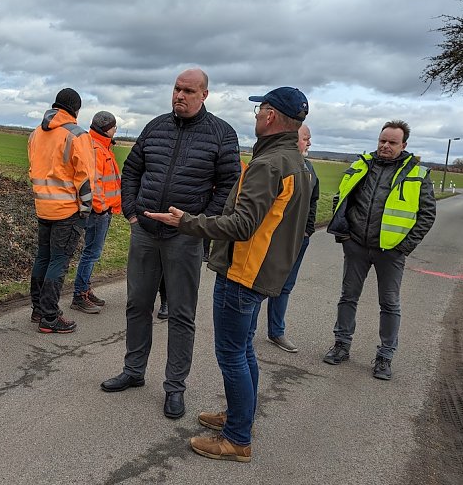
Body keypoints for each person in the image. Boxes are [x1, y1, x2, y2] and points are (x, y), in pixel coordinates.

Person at [146, 86, 312, 462]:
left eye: (260, 110)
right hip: (262, 271)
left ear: (270, 116)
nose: (255, 116)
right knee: (244, 351)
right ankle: (240, 417)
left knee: (232, 354)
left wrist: (186, 221)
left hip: (243, 272)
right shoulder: (296, 162)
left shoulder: (268, 165)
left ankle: (238, 439)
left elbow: (241, 224)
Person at [100, 69, 241, 420]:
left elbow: (228, 186)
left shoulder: (222, 134)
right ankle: (133, 371)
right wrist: (131, 211)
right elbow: (131, 170)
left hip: (184, 237)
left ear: (204, 95)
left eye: (188, 91)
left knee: (181, 314)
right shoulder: (155, 126)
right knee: (137, 305)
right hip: (146, 231)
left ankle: (174, 387)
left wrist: (197, 225)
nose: (180, 95)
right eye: (177, 89)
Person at [324, 120, 436, 380]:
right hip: (357, 247)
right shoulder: (361, 165)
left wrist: (404, 247)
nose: (385, 146)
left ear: (403, 145)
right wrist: (345, 235)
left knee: (389, 304)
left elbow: (427, 215)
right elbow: (341, 198)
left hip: (391, 252)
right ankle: (341, 345)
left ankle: (385, 356)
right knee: (348, 296)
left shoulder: (417, 173)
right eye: (382, 140)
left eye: (392, 142)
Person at [28, 88, 96, 333]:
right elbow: (85, 177)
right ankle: (49, 317)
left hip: (42, 206)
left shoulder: (36, 133)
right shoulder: (77, 135)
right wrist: (86, 209)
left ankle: (38, 309)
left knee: (43, 257)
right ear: (76, 110)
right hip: (67, 210)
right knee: (59, 261)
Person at [252, 123, 319, 353]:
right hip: (272, 240)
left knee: (285, 287)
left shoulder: (310, 169)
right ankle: (247, 332)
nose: (309, 143)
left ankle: (276, 332)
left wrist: (307, 231)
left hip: (299, 240)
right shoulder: (276, 164)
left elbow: (313, 203)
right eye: (306, 138)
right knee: (258, 286)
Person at [71, 111, 122, 314]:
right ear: (106, 128)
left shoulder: (102, 146)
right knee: (91, 253)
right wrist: (101, 208)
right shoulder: (95, 148)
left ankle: (85, 289)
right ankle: (79, 295)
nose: (115, 129)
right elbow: (95, 183)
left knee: (92, 252)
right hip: (98, 211)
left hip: (103, 210)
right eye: (113, 126)